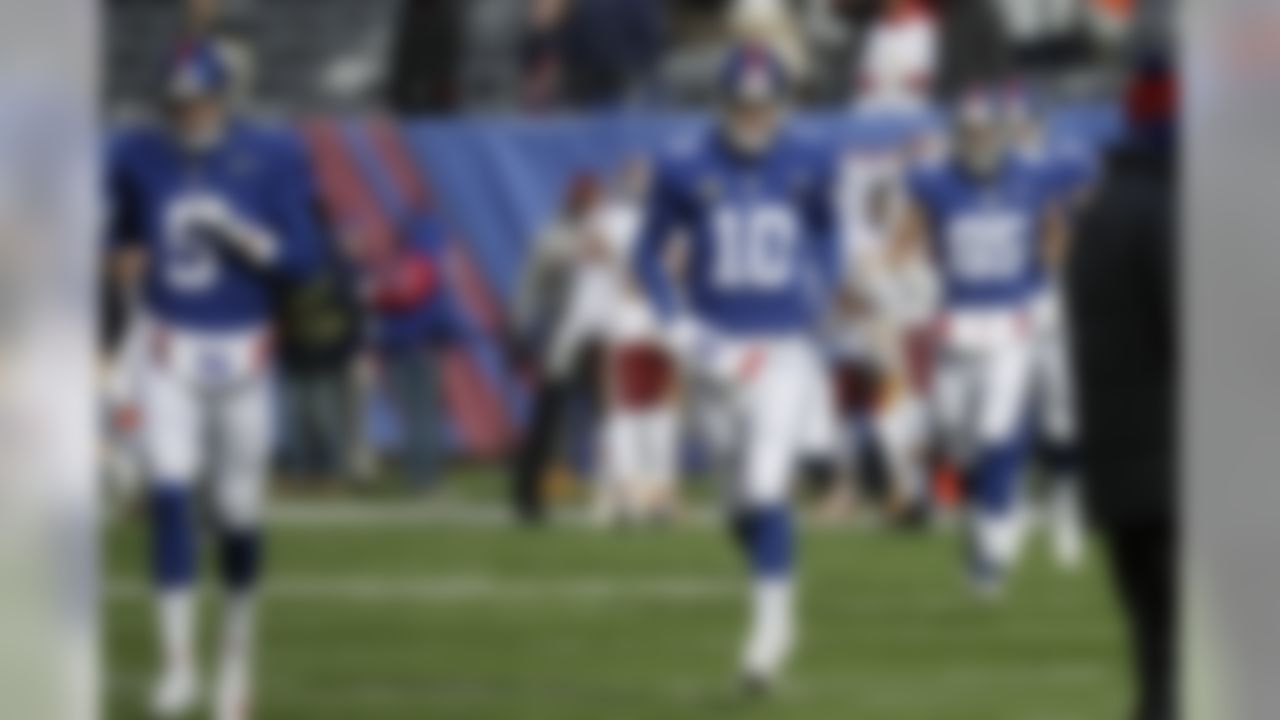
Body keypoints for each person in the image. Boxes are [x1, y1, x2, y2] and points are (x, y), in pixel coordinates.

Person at [106, 40, 321, 719]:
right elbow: (121, 236)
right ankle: (177, 667)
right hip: (170, 346)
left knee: (238, 517)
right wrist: (121, 262)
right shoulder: (136, 154)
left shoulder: (272, 153)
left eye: (198, 99)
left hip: (245, 351)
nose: (187, 112)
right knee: (168, 496)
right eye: (177, 101)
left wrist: (242, 234)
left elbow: (306, 260)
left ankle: (235, 659)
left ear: (224, 96)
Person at [632, 44, 840, 691]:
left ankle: (769, 636)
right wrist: (675, 324)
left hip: (781, 347)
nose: (754, 117)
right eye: (743, 105)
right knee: (734, 505)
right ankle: (775, 585)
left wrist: (820, 289)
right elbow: (645, 253)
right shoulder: (684, 163)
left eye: (764, 105)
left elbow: (828, 232)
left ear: (781, 105)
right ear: (722, 104)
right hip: (714, 348)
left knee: (765, 486)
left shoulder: (809, 160)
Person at [889, 92, 1069, 598]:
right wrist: (905, 278)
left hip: (1009, 326)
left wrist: (1048, 283)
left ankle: (993, 551)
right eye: (970, 133)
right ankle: (989, 524)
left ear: (1002, 133)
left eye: (987, 131)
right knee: (956, 440)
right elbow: (904, 240)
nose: (979, 141)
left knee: (996, 435)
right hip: (957, 326)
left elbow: (1054, 235)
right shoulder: (937, 182)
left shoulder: (1029, 177)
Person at [1068, 57, 1177, 720]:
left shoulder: (1100, 210)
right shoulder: (1170, 211)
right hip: (1186, 470)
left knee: (1161, 660)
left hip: (1122, 471)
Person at [1005, 86, 1101, 570]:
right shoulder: (992, 174)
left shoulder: (1064, 165)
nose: (1018, 134)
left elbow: (1088, 214)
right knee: (1009, 411)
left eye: (1025, 124)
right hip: (1006, 305)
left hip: (1054, 298)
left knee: (1064, 415)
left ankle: (1065, 507)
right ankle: (1015, 506)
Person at [509, 174, 612, 524]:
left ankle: (618, 491)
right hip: (564, 332)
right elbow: (530, 285)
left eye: (590, 199)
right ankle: (528, 494)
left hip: (604, 335)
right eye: (581, 199)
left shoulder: (614, 231)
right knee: (548, 417)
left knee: (614, 419)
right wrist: (519, 327)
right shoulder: (551, 236)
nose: (586, 205)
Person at [360, 212, 455, 492]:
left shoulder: (413, 264)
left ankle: (424, 476)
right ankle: (424, 476)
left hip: (410, 348)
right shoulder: (426, 264)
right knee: (421, 416)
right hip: (415, 348)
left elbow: (391, 293)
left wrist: (377, 294)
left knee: (419, 416)